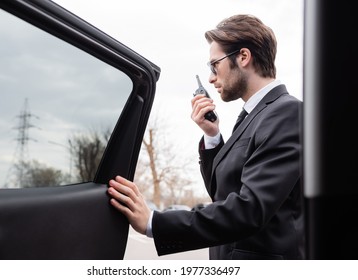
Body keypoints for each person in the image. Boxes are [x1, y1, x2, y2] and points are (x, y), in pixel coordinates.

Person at [108, 14, 304, 260]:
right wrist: (212, 137)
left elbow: (249, 210)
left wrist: (153, 222)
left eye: (214, 65)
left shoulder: (287, 112)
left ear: (243, 57)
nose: (211, 78)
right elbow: (224, 195)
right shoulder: (254, 116)